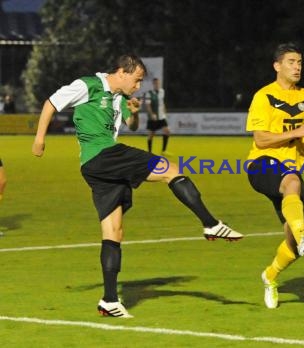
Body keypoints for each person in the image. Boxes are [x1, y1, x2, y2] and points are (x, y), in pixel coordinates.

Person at [32, 54, 242, 318]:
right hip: (103, 155)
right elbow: (51, 103)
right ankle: (211, 223)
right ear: (122, 72)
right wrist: (40, 139)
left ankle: (109, 300)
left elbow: (129, 127)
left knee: (114, 231)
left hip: (96, 167)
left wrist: (132, 114)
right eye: (137, 80)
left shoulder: (119, 98)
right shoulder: (88, 85)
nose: (139, 86)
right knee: (172, 170)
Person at [245, 43, 304, 309]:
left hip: (290, 172)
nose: (297, 67)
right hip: (261, 165)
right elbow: (261, 139)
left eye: (300, 62)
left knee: (294, 245)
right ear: (277, 66)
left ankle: (270, 276)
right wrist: (295, 133)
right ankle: (303, 233)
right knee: (292, 180)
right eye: (291, 62)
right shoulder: (264, 96)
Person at [144, 78, 171, 155]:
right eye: (155, 83)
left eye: (158, 83)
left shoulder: (162, 91)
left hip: (161, 117)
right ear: (153, 84)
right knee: (151, 135)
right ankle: (149, 152)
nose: (157, 85)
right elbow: (148, 105)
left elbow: (162, 103)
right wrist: (152, 114)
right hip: (153, 118)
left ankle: (164, 151)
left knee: (167, 131)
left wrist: (165, 112)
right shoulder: (149, 93)